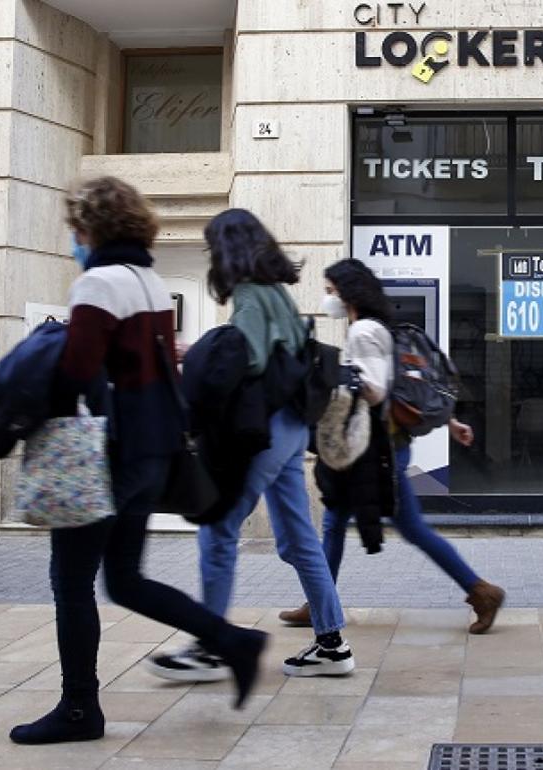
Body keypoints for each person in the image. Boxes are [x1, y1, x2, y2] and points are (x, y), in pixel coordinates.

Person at [10, 178, 267, 746]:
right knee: (123, 580)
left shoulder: (99, 282)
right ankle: (232, 641)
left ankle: (80, 709)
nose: (73, 239)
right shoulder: (147, 280)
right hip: (152, 448)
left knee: (71, 581)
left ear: (92, 227)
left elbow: (77, 373)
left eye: (75, 228)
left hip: (109, 453)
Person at [147, 209, 355, 681]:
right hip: (290, 430)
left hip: (264, 434)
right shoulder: (275, 292)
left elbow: (249, 360)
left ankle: (210, 647)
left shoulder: (248, 295)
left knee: (218, 529)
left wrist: (195, 356)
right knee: (299, 538)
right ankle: (332, 642)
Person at [279, 258, 507, 635]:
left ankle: (481, 590)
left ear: (349, 293)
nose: (326, 298)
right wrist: (449, 422)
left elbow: (376, 390)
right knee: (340, 521)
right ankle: (319, 601)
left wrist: (334, 377)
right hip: (384, 446)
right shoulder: (376, 328)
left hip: (375, 449)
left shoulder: (364, 332)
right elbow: (402, 385)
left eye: (330, 291)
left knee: (398, 526)